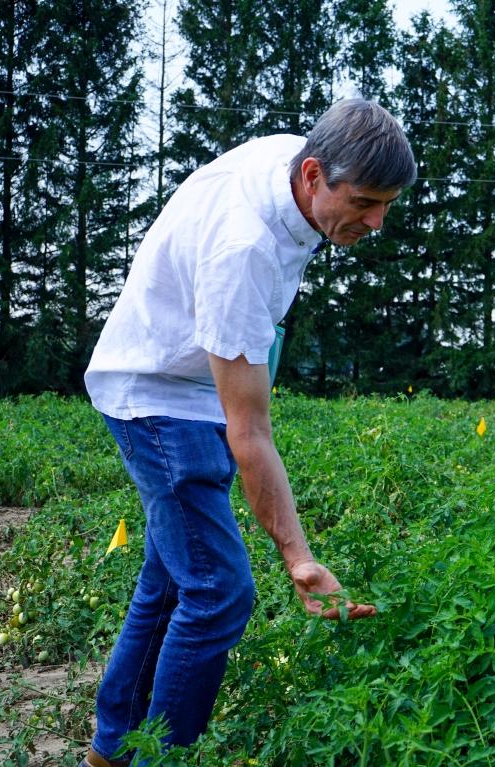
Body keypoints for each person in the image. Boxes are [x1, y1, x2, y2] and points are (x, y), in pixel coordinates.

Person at [80, 99, 417, 767]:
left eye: (387, 205)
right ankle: (163, 760)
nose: (376, 222)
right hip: (155, 392)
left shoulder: (296, 167)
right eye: (367, 202)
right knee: (219, 589)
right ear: (314, 174)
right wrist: (298, 556)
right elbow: (251, 431)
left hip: (193, 379)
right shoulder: (245, 247)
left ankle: (112, 749)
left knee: (174, 576)